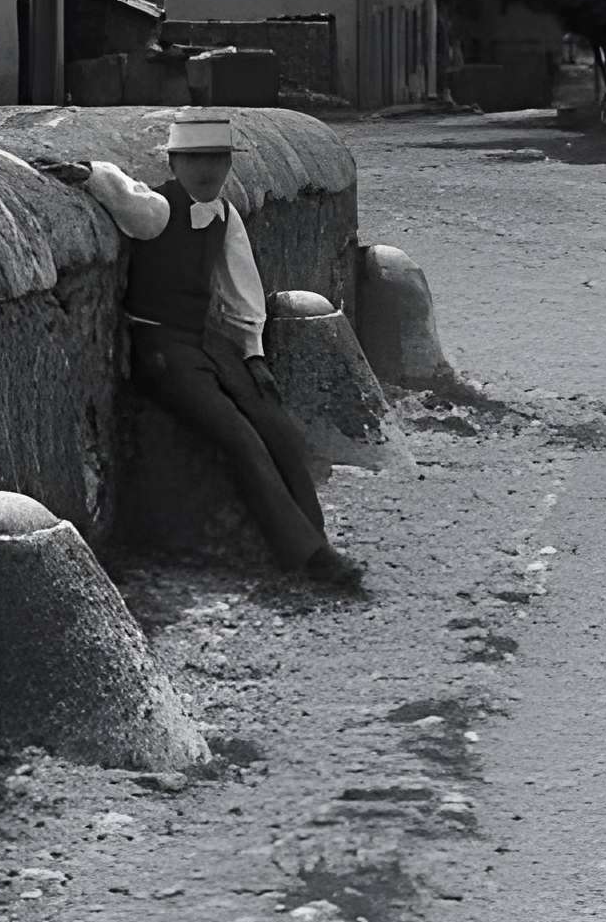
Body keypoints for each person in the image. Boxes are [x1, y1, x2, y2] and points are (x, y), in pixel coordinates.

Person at [34, 112, 367, 593]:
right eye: (195, 160)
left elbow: (241, 289)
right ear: (174, 163)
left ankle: (318, 538)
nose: (208, 170)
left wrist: (253, 356)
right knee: (239, 437)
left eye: (217, 159)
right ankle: (306, 557)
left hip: (204, 341)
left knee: (277, 425)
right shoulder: (160, 209)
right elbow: (127, 197)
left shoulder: (225, 216)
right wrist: (90, 174)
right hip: (160, 349)